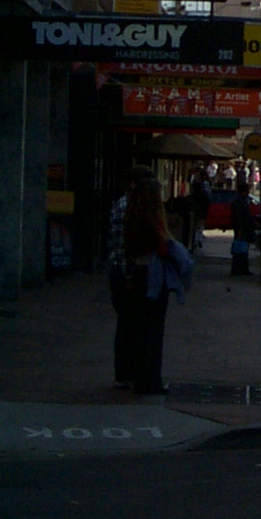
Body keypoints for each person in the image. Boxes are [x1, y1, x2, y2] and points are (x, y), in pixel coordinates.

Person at [123, 171, 192, 395]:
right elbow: (162, 248)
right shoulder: (153, 221)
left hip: (138, 273)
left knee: (141, 328)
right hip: (153, 275)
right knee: (154, 330)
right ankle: (151, 379)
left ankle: (139, 377)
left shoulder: (131, 217)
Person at [108, 165, 154, 385]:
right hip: (127, 272)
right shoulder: (129, 207)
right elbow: (122, 246)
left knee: (128, 323)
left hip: (124, 271)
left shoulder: (126, 205)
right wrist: (128, 275)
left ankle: (126, 371)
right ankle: (126, 371)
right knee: (130, 324)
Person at [230, 182, 256, 276]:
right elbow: (239, 216)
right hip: (241, 228)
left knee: (241, 248)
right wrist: (240, 228)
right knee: (241, 249)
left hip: (243, 227)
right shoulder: (239, 202)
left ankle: (240, 268)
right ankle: (240, 268)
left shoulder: (241, 201)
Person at [188, 170, 210, 251]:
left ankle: (197, 239)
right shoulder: (204, 187)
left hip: (199, 208)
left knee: (197, 225)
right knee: (199, 225)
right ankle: (198, 239)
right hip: (201, 208)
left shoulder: (201, 186)